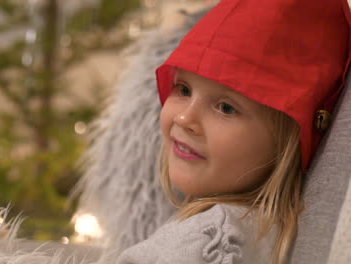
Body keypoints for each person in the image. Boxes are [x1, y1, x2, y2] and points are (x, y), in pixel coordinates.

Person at [113, 0, 351, 263]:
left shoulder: (205, 242)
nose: (184, 118)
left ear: (285, 146)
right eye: (183, 89)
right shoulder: (258, 231)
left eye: (225, 107)